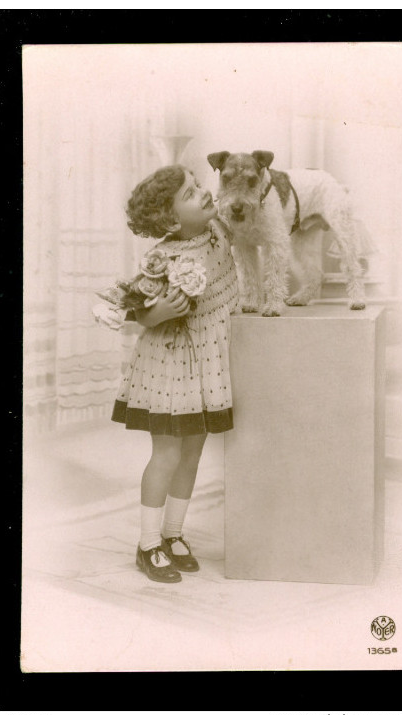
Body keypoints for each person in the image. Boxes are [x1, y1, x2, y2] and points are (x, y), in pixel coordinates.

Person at [110, 164, 239, 583]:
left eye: (199, 184)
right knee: (167, 453)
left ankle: (174, 533)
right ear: (170, 219)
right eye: (190, 193)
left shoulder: (218, 229)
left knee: (193, 451)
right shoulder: (161, 257)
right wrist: (156, 312)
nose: (203, 193)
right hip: (169, 364)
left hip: (207, 362)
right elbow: (130, 306)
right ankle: (148, 542)